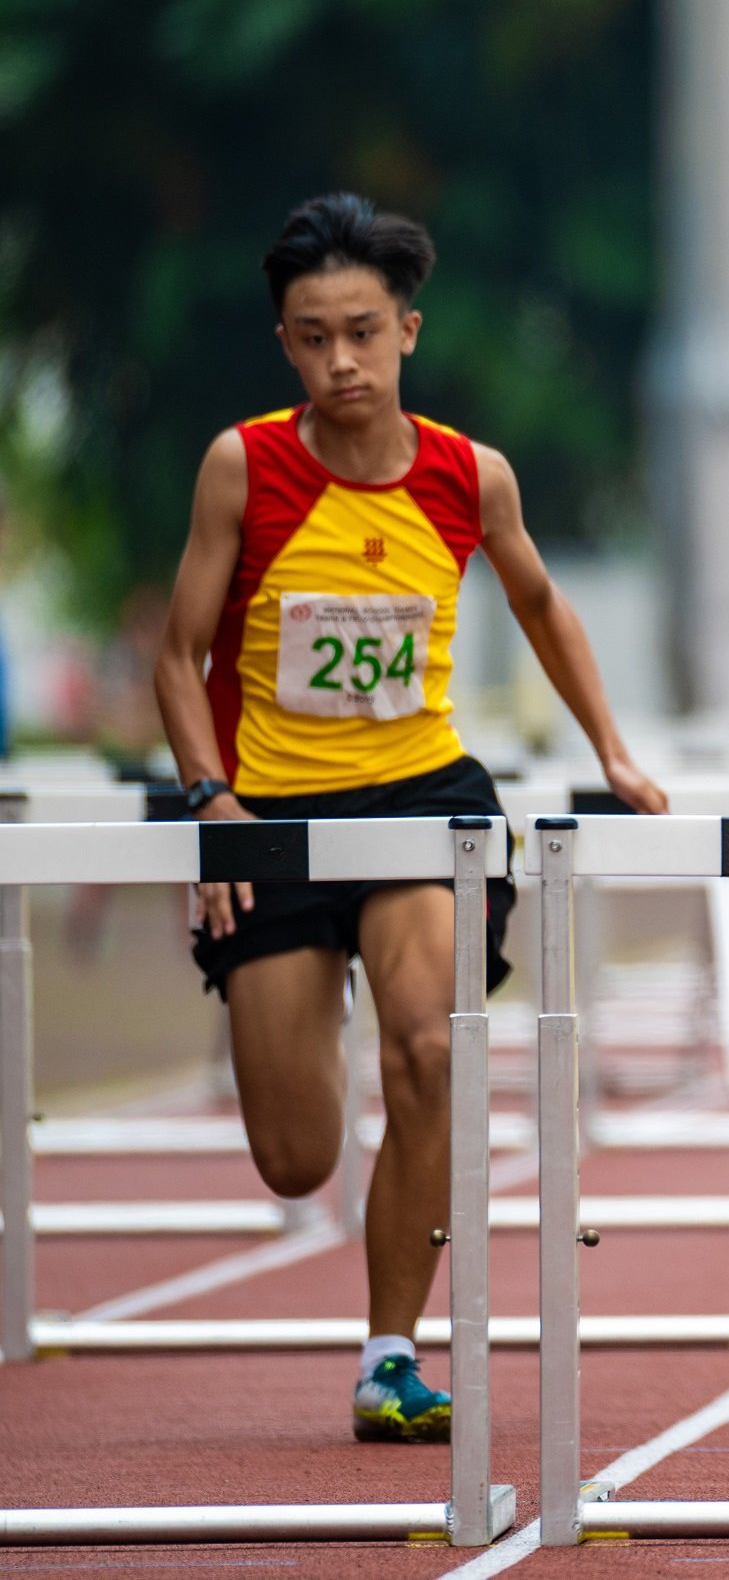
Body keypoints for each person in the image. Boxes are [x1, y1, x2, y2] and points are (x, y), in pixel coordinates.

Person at [152, 193, 667, 1442]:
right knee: (293, 1157)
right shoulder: (246, 465)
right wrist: (212, 805)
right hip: (272, 808)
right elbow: (177, 657)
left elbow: (546, 607)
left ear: (408, 332)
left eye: (364, 333)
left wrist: (613, 748)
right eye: (315, 336)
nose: (343, 362)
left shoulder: (467, 474)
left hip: (423, 796)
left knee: (435, 1053)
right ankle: (306, 992)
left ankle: (393, 1358)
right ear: (285, 343)